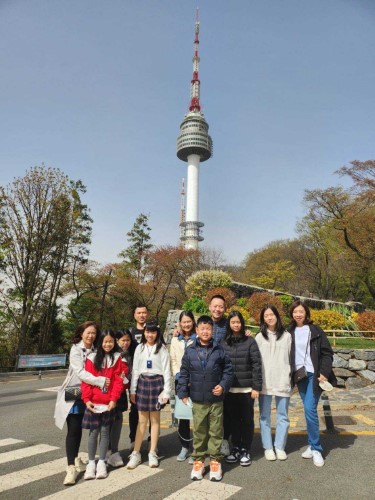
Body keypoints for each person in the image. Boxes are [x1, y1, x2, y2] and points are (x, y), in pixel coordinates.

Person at [177, 315, 233, 482]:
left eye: (208, 328)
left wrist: (223, 385)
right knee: (200, 431)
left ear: (212, 330)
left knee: (216, 431)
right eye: (202, 328)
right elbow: (184, 372)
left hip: (215, 399)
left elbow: (228, 371)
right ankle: (199, 461)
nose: (205, 331)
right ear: (197, 330)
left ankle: (215, 461)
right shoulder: (190, 350)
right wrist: (183, 393)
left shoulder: (220, 350)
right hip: (198, 399)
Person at [54, 321, 109, 486]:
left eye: (93, 333)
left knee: (94, 427)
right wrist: (100, 380)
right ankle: (71, 466)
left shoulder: (97, 349)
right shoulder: (75, 349)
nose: (91, 335)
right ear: (82, 333)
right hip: (74, 390)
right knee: (74, 429)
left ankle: (80, 459)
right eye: (88, 332)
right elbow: (80, 372)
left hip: (92, 391)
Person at [289, 300, 334, 467]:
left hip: (314, 375)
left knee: (309, 408)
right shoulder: (290, 331)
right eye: (295, 312)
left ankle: (316, 448)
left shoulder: (315, 330)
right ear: (292, 314)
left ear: (306, 313)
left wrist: (324, 372)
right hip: (299, 376)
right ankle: (312, 443)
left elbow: (327, 353)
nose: (298, 314)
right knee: (310, 410)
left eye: (301, 311)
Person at [127, 320, 171, 470]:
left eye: (152, 332)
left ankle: (152, 452)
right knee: (142, 420)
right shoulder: (139, 348)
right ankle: (136, 453)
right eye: (147, 331)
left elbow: (167, 371)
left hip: (157, 383)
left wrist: (167, 391)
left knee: (155, 419)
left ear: (157, 333)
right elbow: (135, 371)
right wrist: (133, 390)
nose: (149, 334)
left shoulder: (162, 349)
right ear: (144, 332)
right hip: (143, 383)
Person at [81, 330, 124, 480]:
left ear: (114, 343)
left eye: (110, 341)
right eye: (105, 341)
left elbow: (118, 381)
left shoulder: (117, 358)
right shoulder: (91, 358)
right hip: (93, 402)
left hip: (108, 404)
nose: (108, 344)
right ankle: (91, 463)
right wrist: (86, 399)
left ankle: (102, 463)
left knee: (105, 433)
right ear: (100, 342)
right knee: (93, 433)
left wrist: (114, 399)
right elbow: (86, 381)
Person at [222, 311, 262, 467]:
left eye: (238, 322)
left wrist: (256, 387)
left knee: (246, 421)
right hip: (230, 390)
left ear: (242, 323)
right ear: (229, 324)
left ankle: (246, 449)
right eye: (233, 322)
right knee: (233, 422)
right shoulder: (224, 342)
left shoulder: (250, 341)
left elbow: (256, 365)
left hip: (246, 390)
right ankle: (236, 448)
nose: (236, 325)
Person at [255, 305, 292, 461]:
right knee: (265, 416)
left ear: (277, 315)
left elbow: (291, 357)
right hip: (265, 382)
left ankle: (279, 446)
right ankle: (268, 447)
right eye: (266, 316)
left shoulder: (287, 336)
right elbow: (255, 361)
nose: (269, 318)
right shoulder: (259, 337)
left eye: (271, 314)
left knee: (282, 416)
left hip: (283, 380)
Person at [170, 310, 197, 462]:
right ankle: (185, 446)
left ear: (193, 322)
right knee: (183, 416)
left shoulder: (198, 338)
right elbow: (173, 359)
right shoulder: (175, 340)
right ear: (180, 323)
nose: (186, 324)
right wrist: (179, 375)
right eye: (184, 322)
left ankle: (197, 448)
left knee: (198, 415)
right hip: (181, 380)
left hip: (197, 381)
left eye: (189, 321)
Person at [106, 329, 133, 467]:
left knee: (117, 420)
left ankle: (113, 452)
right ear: (117, 341)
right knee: (107, 423)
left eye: (128, 340)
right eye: (123, 340)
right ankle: (108, 452)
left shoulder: (128, 354)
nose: (126, 343)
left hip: (121, 393)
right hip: (109, 394)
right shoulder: (112, 354)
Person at [128, 304, 149, 449]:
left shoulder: (153, 330)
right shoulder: (129, 332)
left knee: (152, 410)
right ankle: (133, 440)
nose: (142, 315)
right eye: (139, 313)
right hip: (134, 376)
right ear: (134, 315)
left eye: (144, 313)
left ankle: (150, 440)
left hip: (151, 376)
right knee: (134, 410)